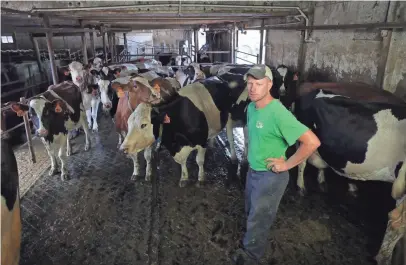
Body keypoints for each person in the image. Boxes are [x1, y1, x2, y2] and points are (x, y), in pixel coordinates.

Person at [231, 65, 321, 264]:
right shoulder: (252, 108)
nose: (253, 88)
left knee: (258, 219)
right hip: (254, 172)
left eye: (259, 84)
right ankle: (250, 245)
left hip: (270, 177)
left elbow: (312, 142)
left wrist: (287, 164)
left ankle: (251, 257)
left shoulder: (278, 113)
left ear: (269, 85)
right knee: (251, 212)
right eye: (250, 84)